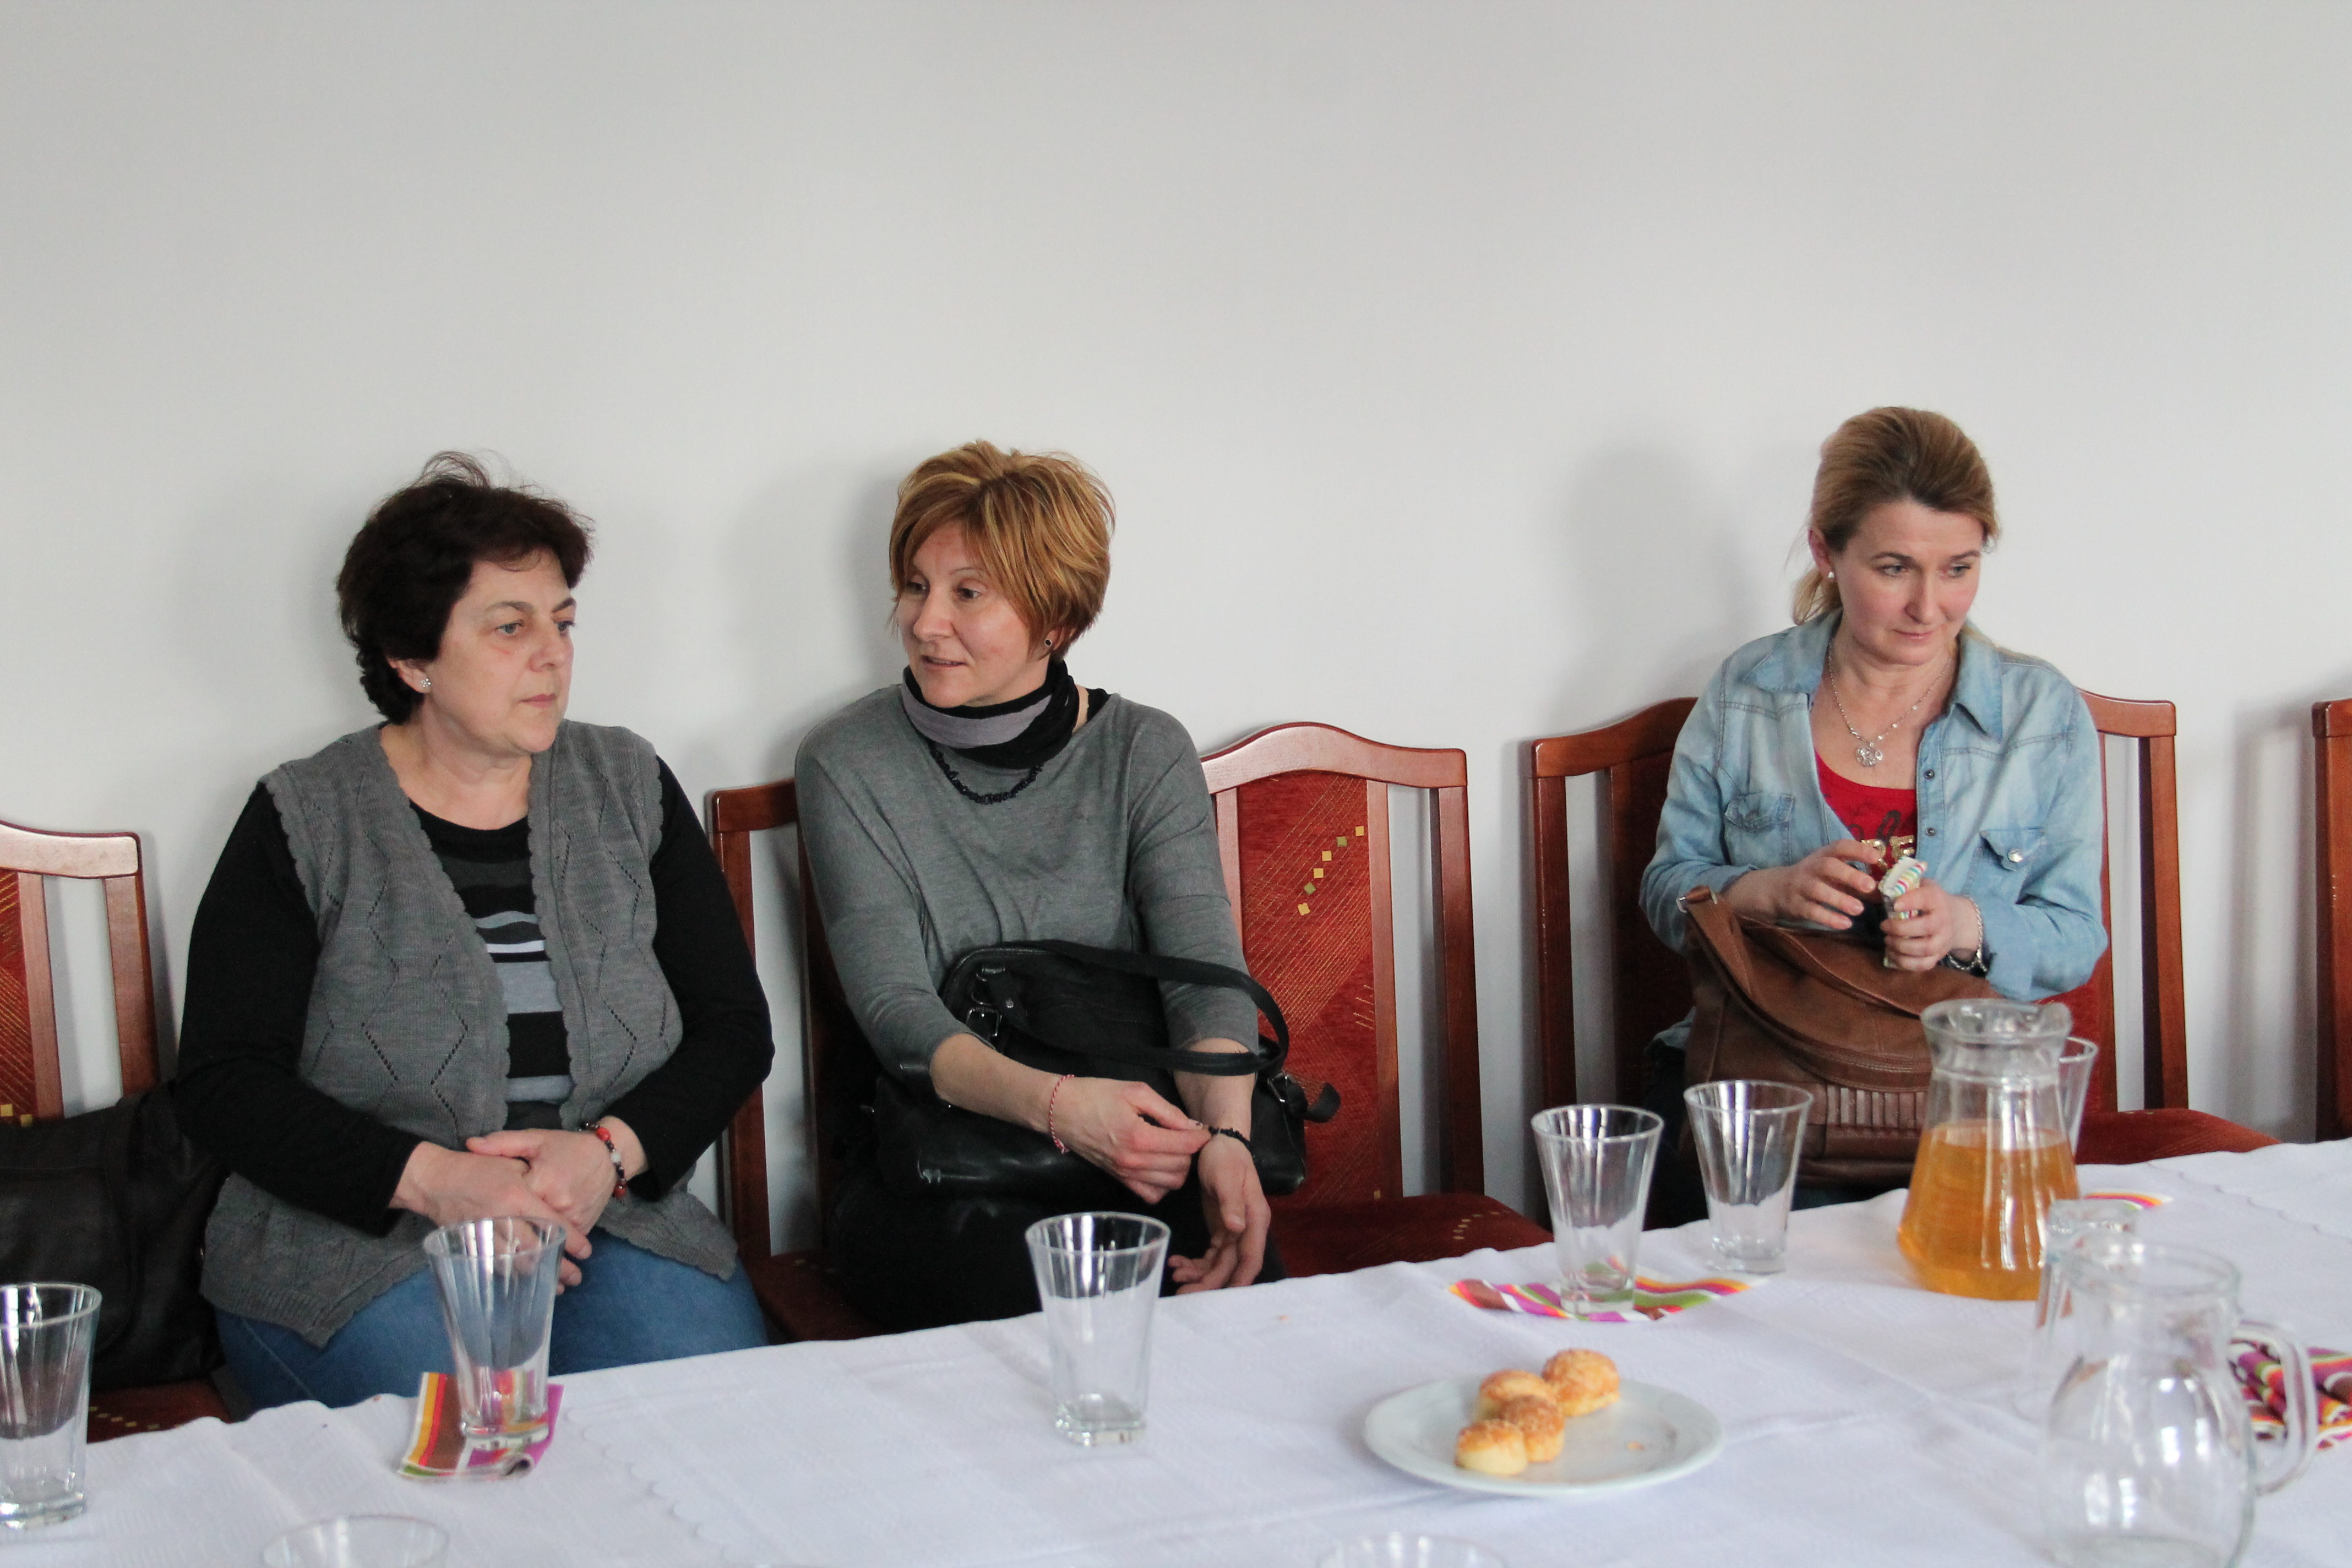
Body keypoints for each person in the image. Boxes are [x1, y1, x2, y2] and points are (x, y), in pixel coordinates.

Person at [176, 454, 772, 1409]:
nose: (553, 654)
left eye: (562, 622)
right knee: (473, 1444)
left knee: (716, 1418)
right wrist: (438, 1183)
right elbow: (224, 1081)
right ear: (412, 659)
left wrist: (608, 1154)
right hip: (363, 1246)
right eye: (509, 626)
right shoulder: (306, 817)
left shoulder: (627, 784)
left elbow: (735, 1027)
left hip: (605, 1216)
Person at [798, 440, 1278, 1331]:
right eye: (915, 586)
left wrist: (1226, 1139)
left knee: (1249, 1313)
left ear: (1055, 617)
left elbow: (1204, 974)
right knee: (1048, 1324)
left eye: (968, 593)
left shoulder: (1144, 750)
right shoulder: (848, 761)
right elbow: (895, 1010)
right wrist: (1063, 1109)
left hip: (1138, 1151)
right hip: (942, 1169)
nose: (924, 622)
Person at [1638, 407, 2106, 1210]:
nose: (1930, 606)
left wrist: (1963, 926)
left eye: (1959, 568)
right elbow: (1664, 891)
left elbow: (2076, 937)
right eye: (1895, 569)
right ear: (1827, 551)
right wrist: (1767, 891)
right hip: (1770, 1087)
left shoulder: (2040, 712)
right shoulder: (1748, 692)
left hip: (1961, 1104)